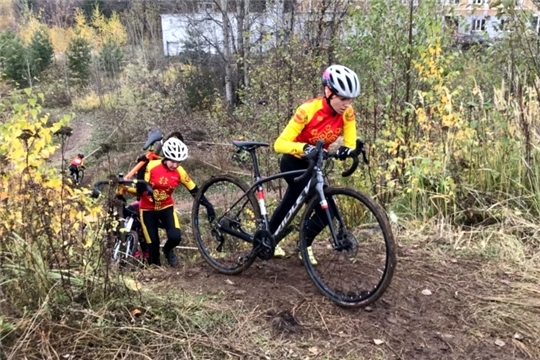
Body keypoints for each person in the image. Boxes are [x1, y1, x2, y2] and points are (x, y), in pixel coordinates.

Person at [269, 64, 361, 265]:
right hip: (294, 161)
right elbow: (280, 144)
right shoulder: (307, 110)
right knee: (300, 201)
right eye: (343, 98)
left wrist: (349, 149)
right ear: (328, 92)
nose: (347, 104)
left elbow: (350, 141)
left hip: (315, 164)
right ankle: (270, 238)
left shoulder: (347, 113)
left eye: (350, 99)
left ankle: (303, 242)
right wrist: (305, 148)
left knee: (326, 208)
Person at [137, 137, 215, 267]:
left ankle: (167, 250)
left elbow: (194, 190)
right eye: (173, 161)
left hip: (166, 207)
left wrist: (208, 206)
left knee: (175, 237)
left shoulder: (179, 171)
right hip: (147, 210)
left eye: (178, 162)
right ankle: (155, 273)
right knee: (153, 246)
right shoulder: (151, 166)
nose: (175, 165)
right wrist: (141, 170)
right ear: (166, 157)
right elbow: (140, 188)